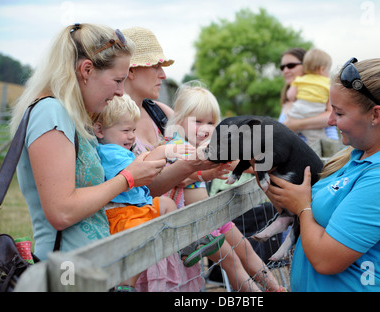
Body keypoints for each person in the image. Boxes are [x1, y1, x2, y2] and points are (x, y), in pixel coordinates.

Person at [266, 58, 380, 291]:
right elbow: (304, 207)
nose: (330, 120)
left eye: (339, 113)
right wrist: (267, 174)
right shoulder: (358, 156)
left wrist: (302, 207)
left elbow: (325, 259)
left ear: (375, 115)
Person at [10, 23, 167, 262]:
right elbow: (61, 212)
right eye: (117, 80)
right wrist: (128, 178)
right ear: (86, 70)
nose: (120, 92)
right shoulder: (50, 112)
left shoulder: (68, 116)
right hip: (68, 272)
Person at [122, 26, 220, 292]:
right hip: (141, 244)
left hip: (172, 241)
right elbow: (137, 187)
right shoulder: (112, 123)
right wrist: (192, 166)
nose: (163, 75)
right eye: (156, 67)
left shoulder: (160, 113)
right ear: (130, 70)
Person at [164, 81, 284, 292]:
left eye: (211, 122)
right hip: (195, 224)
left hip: (212, 216)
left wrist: (263, 168)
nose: (205, 128)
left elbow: (236, 163)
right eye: (197, 121)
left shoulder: (207, 148)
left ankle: (276, 288)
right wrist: (207, 173)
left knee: (245, 249)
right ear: (180, 120)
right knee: (232, 262)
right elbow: (181, 179)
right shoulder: (176, 147)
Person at [285, 48, 338, 155]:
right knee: (314, 141)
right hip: (315, 113)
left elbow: (290, 95)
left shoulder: (299, 80)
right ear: (322, 69)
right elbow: (331, 108)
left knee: (287, 137)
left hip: (296, 113)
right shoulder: (328, 83)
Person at [278, 48, 306, 123]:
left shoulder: (320, 91)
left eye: (291, 65)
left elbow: (331, 118)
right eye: (282, 67)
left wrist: (292, 126)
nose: (285, 71)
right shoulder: (286, 100)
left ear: (306, 66)